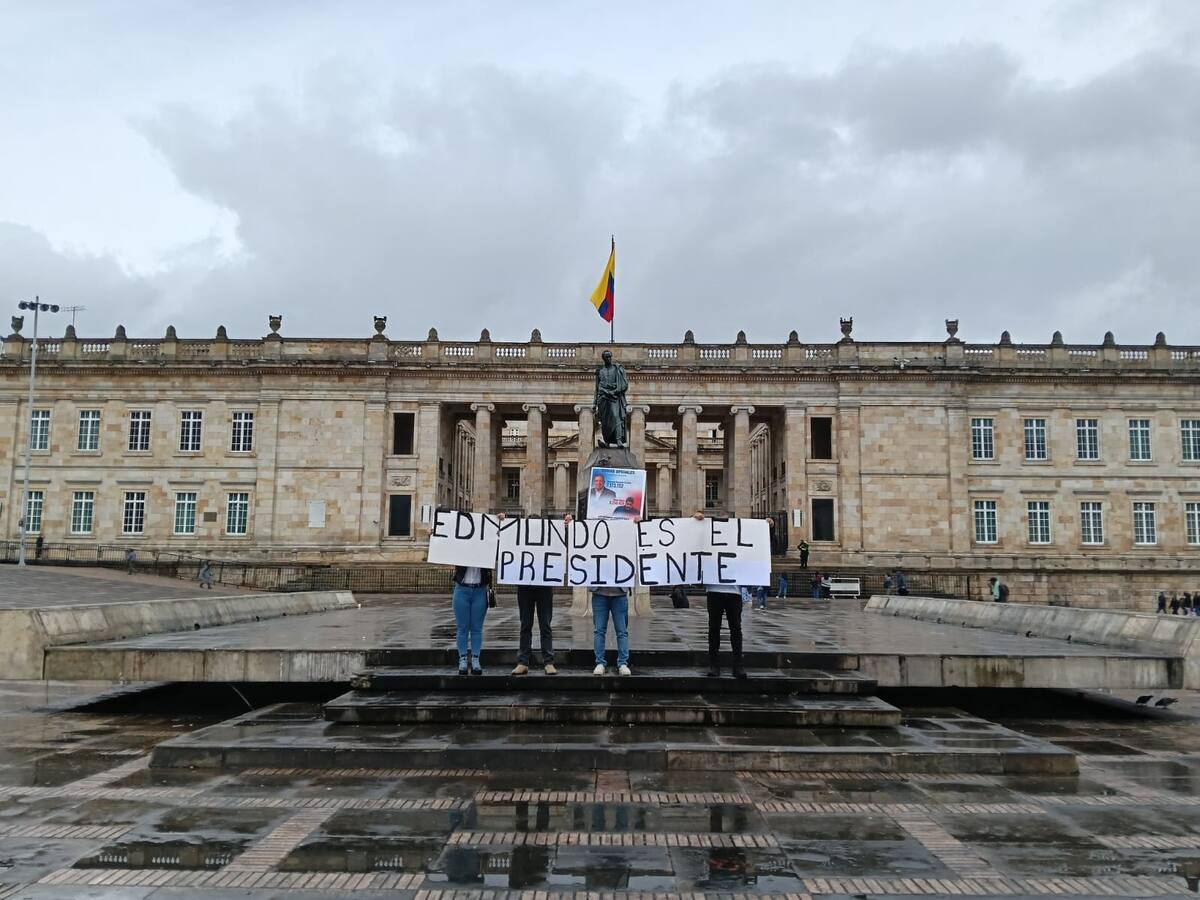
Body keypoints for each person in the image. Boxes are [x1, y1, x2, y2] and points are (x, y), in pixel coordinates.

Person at [512, 514, 570, 676]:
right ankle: (522, 662)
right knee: (525, 625)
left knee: (545, 625)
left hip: (544, 586)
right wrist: (501, 522)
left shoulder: (548, 539)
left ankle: (548, 662)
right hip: (524, 586)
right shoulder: (521, 539)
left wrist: (567, 526)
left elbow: (564, 543)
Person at [453, 563, 492, 675]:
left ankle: (476, 659)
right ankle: (463, 659)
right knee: (462, 627)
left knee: (477, 628)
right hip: (462, 589)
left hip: (480, 590)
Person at [592, 584, 630, 675]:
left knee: (622, 631)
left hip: (620, 593)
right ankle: (600, 662)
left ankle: (623, 663)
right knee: (599, 631)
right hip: (599, 593)